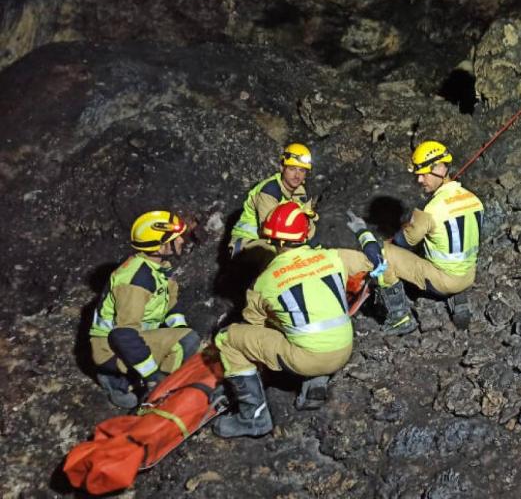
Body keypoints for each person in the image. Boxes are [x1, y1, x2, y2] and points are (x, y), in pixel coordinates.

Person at [214, 201, 355, 438]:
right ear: (305, 233)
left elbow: (254, 326)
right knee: (304, 322)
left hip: (307, 358)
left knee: (228, 339)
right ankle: (316, 381)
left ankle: (254, 418)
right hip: (344, 349)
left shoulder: (266, 281)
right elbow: (369, 263)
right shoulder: (333, 257)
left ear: (272, 239)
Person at [344, 140, 484, 336]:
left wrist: (403, 228)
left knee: (385, 254)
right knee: (443, 243)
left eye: (424, 173)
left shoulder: (432, 209)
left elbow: (404, 242)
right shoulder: (474, 199)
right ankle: (459, 299)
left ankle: (399, 317)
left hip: (444, 281)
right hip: (469, 275)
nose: (420, 180)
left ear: (441, 168)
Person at [90, 211, 200, 408]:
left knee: (185, 339)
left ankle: (130, 377)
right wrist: (152, 375)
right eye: (176, 238)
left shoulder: (159, 269)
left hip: (135, 338)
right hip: (110, 348)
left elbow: (171, 306)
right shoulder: (138, 279)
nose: (182, 241)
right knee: (187, 340)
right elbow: (123, 334)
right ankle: (151, 391)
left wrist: (178, 331)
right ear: (159, 245)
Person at [228, 142, 318, 261]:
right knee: (278, 259)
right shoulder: (270, 191)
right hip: (248, 242)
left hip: (280, 239)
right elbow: (269, 232)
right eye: (292, 169)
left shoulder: (302, 192)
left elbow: (308, 226)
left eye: (302, 171)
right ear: (282, 168)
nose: (297, 175)